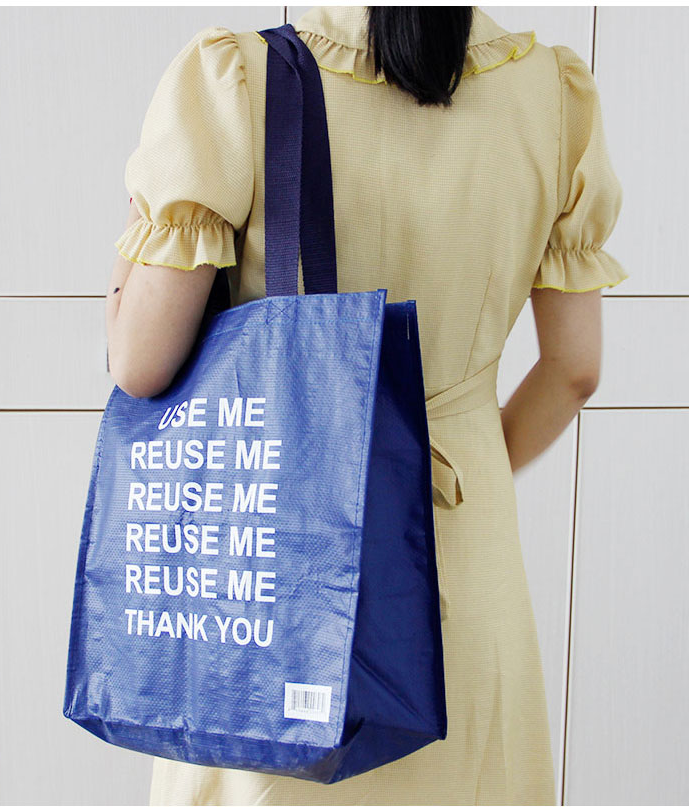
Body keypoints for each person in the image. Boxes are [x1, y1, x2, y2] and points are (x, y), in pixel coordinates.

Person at [105, 6, 628, 805]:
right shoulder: (554, 94)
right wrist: (420, 472)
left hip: (286, 585)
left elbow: (140, 365)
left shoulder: (236, 82)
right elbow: (575, 370)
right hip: (466, 569)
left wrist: (136, 239)